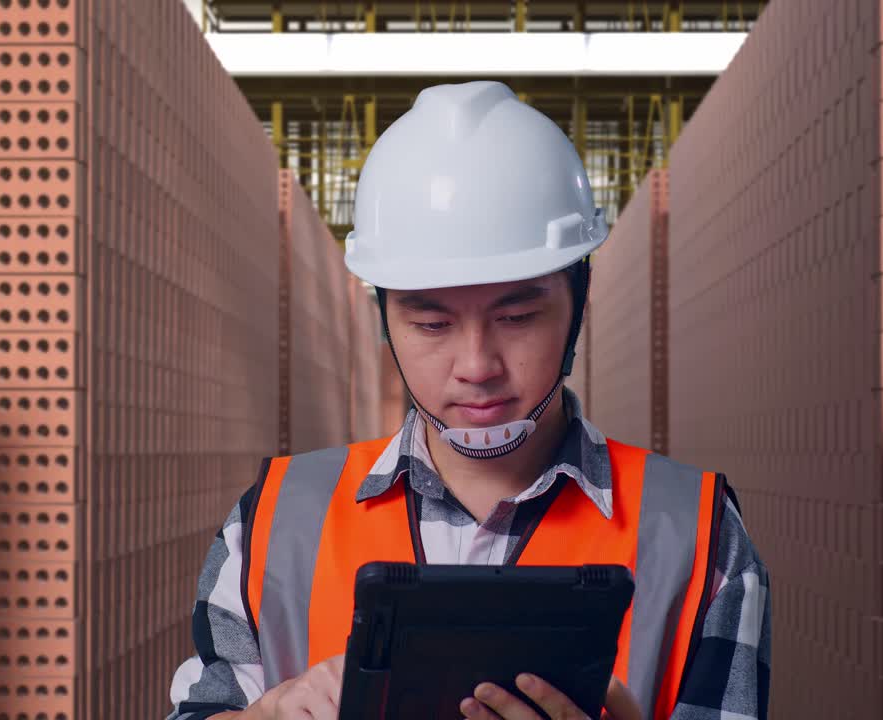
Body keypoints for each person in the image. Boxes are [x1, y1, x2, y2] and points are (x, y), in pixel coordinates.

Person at [164, 80, 770, 720]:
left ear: (577, 307)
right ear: (386, 320)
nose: (476, 367)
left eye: (518, 318)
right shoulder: (274, 522)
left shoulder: (697, 536)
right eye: (432, 325)